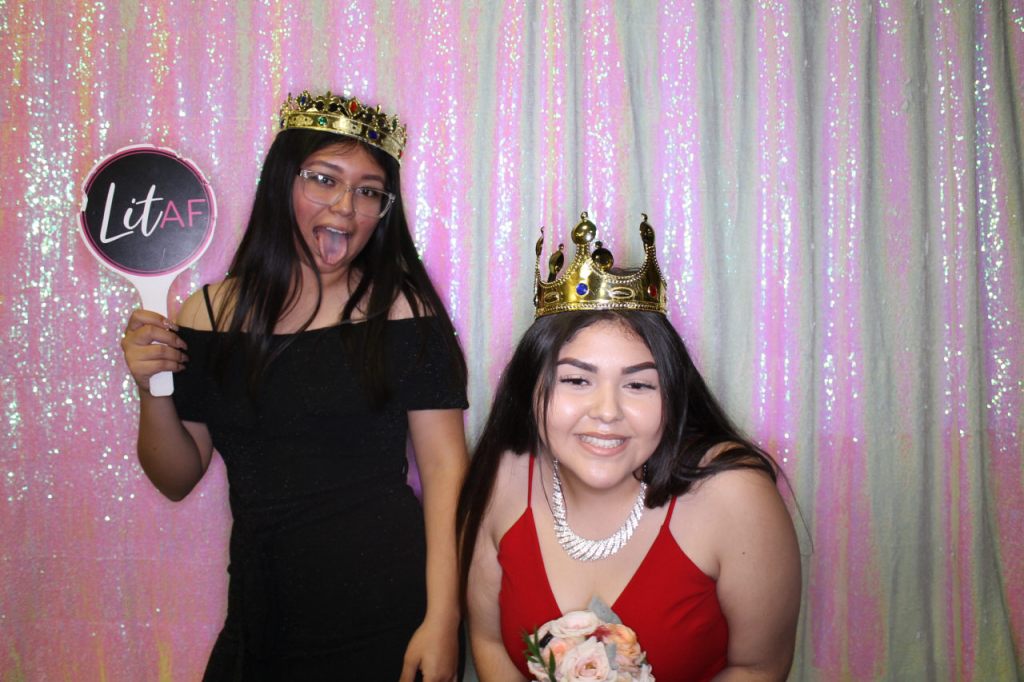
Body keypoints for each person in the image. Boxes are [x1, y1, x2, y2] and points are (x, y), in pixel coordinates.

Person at [121, 90, 468, 681]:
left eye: (368, 191)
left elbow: (444, 471)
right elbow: (176, 477)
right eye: (324, 179)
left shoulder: (405, 311)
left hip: (390, 613)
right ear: (283, 183)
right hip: (262, 615)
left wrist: (443, 618)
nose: (346, 207)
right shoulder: (207, 315)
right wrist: (149, 388)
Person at [456, 213, 801, 680]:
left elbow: (760, 667)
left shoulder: (735, 495)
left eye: (638, 385)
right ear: (530, 389)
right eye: (576, 380)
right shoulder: (502, 478)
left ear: (672, 394)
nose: (607, 411)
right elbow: (490, 641)